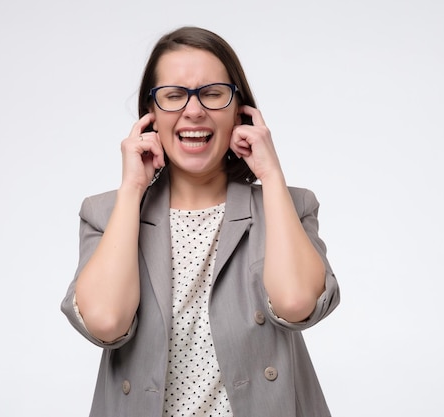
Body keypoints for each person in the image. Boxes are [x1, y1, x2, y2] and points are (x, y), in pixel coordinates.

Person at [61, 26, 340, 417]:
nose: (194, 110)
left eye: (212, 93)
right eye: (173, 96)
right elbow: (107, 322)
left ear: (239, 110)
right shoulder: (106, 213)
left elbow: (296, 305)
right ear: (151, 114)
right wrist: (131, 188)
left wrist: (271, 174)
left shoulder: (289, 206)